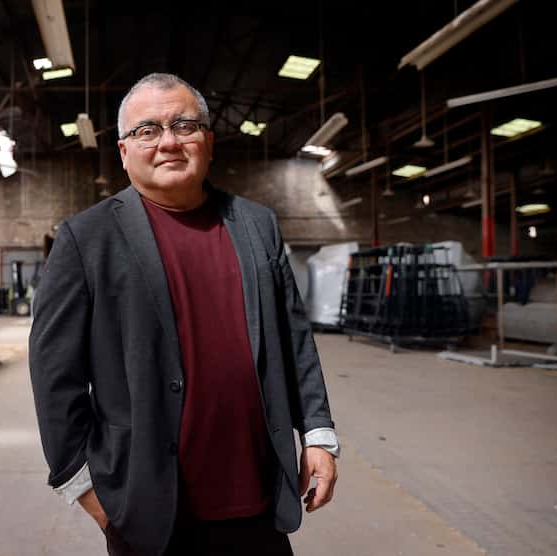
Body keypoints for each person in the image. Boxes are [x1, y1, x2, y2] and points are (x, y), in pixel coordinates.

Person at [29, 73, 339, 556]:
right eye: (147, 130)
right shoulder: (85, 240)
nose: (169, 142)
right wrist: (84, 487)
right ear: (124, 151)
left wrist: (318, 435)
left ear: (208, 142)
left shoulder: (256, 225)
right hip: (149, 511)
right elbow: (54, 376)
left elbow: (295, 339)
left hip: (258, 498)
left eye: (184, 125)